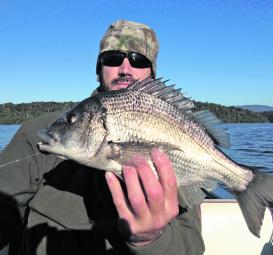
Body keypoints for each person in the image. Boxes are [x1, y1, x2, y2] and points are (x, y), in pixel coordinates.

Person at [0, 20, 205, 255]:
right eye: (113, 58)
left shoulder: (180, 137)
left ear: (152, 75)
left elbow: (192, 247)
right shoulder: (41, 130)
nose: (125, 69)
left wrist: (149, 240)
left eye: (139, 60)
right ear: (99, 70)